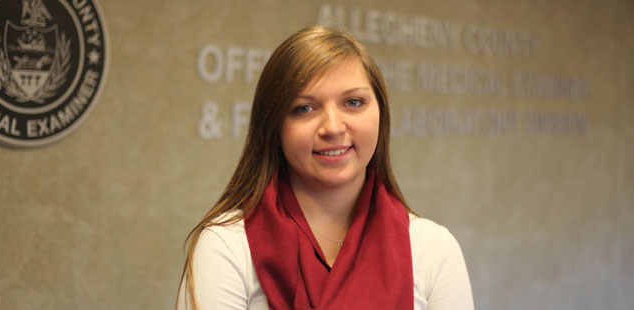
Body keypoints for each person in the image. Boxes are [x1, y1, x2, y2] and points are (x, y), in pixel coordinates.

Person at [177, 25, 474, 310]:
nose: (332, 127)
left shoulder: (433, 249)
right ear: (274, 128)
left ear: (381, 114)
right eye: (304, 108)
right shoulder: (226, 246)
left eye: (354, 102)